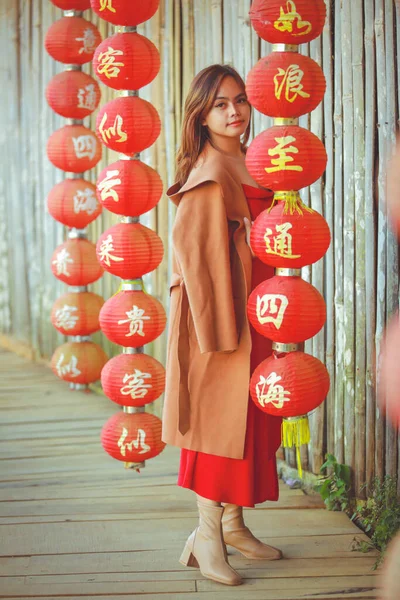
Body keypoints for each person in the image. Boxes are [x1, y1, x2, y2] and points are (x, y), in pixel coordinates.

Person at [162, 64, 282, 587]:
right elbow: (195, 260)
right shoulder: (210, 174)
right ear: (201, 116)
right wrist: (216, 337)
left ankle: (233, 523)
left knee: (250, 419)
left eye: (240, 101)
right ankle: (206, 534)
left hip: (260, 308)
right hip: (223, 320)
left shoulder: (255, 161)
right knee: (217, 424)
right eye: (220, 105)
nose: (234, 112)